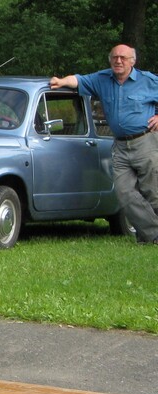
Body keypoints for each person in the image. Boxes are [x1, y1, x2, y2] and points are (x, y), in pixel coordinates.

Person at [51, 44, 158, 244]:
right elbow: (79, 80)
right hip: (120, 146)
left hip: (146, 141)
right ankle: (153, 235)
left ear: (133, 61)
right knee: (124, 193)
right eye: (115, 57)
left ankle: (149, 237)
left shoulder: (148, 81)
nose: (118, 61)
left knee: (154, 193)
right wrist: (61, 81)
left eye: (123, 58)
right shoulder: (102, 79)